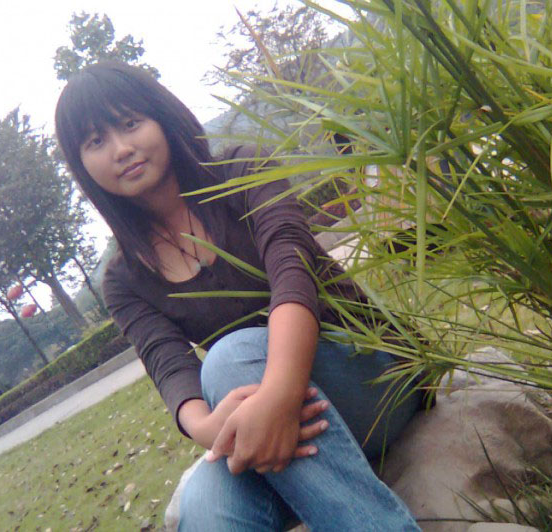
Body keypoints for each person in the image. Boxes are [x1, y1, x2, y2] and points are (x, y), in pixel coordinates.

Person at [55, 61, 423, 531]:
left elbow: (294, 276)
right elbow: (170, 368)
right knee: (205, 504)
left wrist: (280, 394)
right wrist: (211, 429)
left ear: (161, 116)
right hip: (278, 416)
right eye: (95, 141)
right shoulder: (124, 280)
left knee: (228, 359)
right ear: (83, 165)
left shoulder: (244, 172)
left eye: (129, 123)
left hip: (377, 376)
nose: (121, 149)